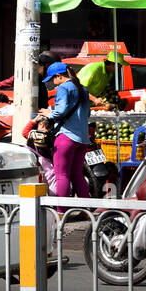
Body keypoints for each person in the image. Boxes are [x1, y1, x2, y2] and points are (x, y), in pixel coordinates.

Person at [43, 62, 91, 200]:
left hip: (66, 137)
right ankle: (86, 210)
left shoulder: (63, 88)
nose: (53, 82)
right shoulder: (83, 89)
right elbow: (87, 113)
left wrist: (49, 113)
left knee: (62, 175)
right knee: (77, 175)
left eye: (53, 79)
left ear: (58, 76)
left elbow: (61, 110)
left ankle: (61, 212)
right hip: (82, 138)